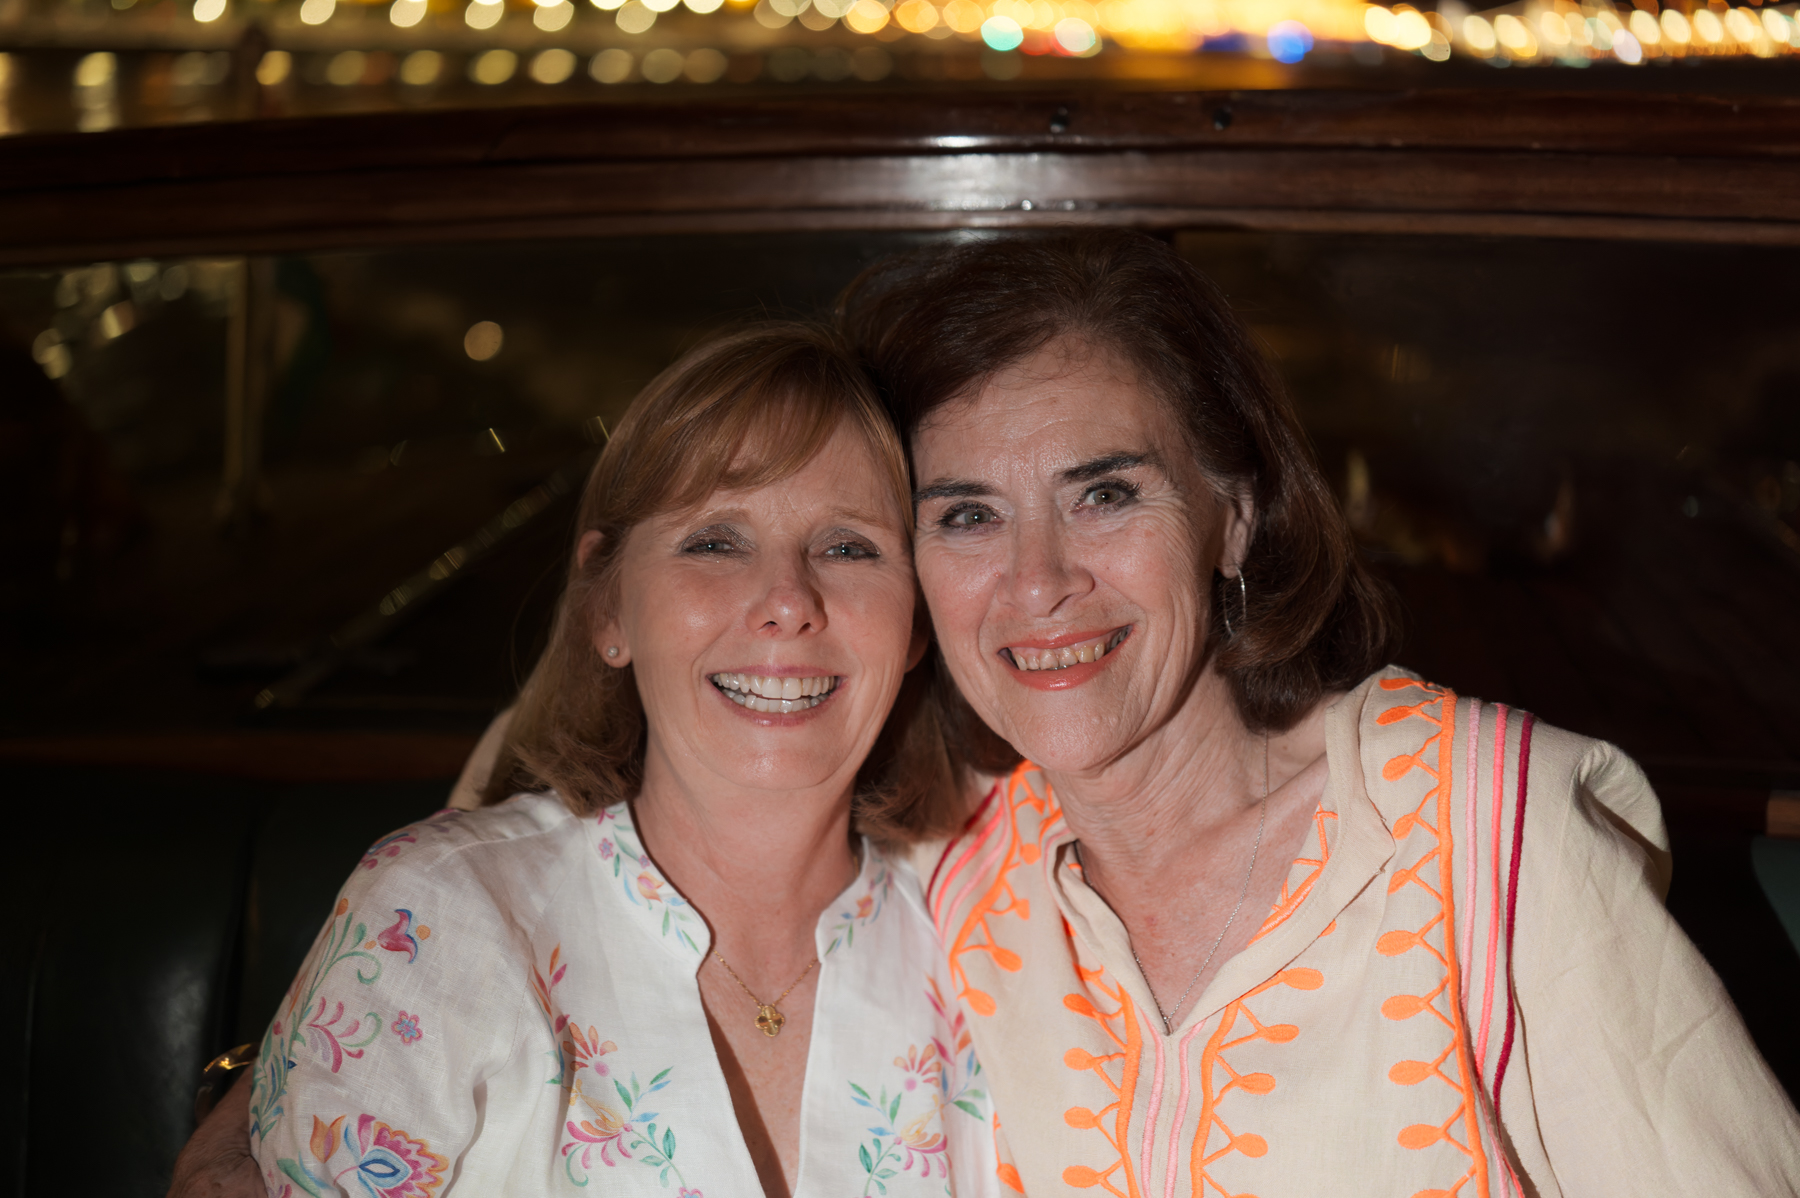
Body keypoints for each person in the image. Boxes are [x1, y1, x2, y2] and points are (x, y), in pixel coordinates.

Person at [838, 229, 1800, 1196]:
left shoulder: (1486, 828)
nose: (1037, 581)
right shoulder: (947, 881)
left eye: (1105, 493)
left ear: (1234, 519)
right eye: (968, 515)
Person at [240, 324, 997, 1198]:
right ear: (607, 607)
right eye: (716, 541)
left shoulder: (981, 945)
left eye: (848, 547)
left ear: (916, 622)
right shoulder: (442, 918)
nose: (789, 601)